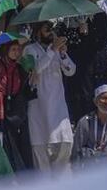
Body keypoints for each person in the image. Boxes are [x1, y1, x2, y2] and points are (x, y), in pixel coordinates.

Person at [24, 21, 76, 174]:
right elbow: (36, 68)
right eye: (47, 30)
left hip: (59, 109)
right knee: (43, 163)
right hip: (39, 110)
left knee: (65, 148)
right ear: (38, 32)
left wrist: (62, 53)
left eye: (53, 30)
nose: (51, 33)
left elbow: (71, 70)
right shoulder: (29, 49)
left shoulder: (56, 51)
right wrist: (53, 50)